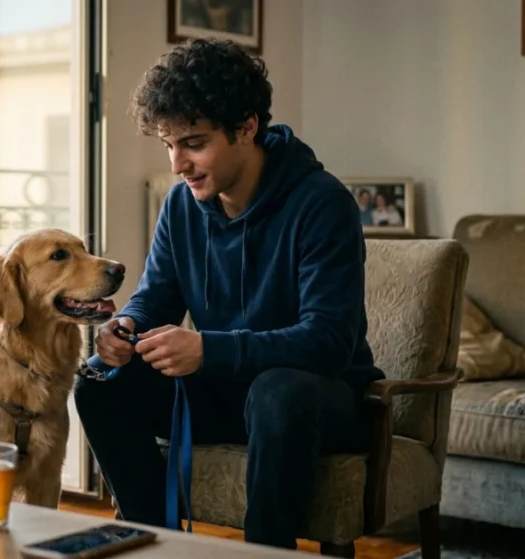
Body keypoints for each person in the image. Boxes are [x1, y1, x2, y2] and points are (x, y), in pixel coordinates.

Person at [73, 38, 385, 551]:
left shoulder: (323, 203)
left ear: (246, 127)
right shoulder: (180, 206)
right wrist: (126, 326)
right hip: (227, 391)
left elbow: (328, 342)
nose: (178, 163)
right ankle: (153, 543)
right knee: (99, 383)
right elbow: (157, 296)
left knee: (278, 391)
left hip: (321, 400)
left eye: (194, 143)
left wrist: (208, 349)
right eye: (168, 144)